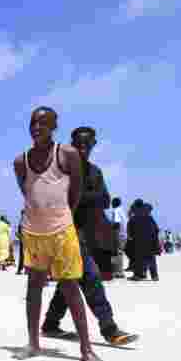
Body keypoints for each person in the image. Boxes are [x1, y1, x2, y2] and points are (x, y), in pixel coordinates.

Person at [13, 106, 103, 361]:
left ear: (54, 126)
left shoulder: (67, 154)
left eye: (43, 123)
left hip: (62, 230)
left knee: (70, 287)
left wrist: (64, 216)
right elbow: (27, 191)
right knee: (33, 288)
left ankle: (86, 348)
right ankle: (33, 343)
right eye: (33, 123)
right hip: (32, 231)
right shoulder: (21, 161)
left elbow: (75, 192)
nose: (36, 127)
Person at [40, 127, 137, 346]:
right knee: (91, 278)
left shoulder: (95, 171)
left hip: (87, 234)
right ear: (72, 144)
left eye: (87, 145)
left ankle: (50, 324)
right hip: (64, 233)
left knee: (70, 280)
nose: (83, 149)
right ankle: (110, 329)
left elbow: (105, 200)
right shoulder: (61, 171)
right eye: (79, 145)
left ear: (93, 145)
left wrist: (82, 196)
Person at [128, 203, 161, 281]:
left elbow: (130, 231)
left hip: (139, 242)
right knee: (151, 259)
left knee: (139, 259)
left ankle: (139, 275)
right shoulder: (150, 218)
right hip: (151, 242)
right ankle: (154, 276)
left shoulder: (134, 217)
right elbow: (156, 229)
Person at [106, 197, 127, 279]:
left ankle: (118, 272)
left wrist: (110, 230)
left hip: (119, 235)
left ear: (114, 203)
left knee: (117, 253)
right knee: (120, 253)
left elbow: (117, 224)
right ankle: (119, 271)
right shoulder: (122, 210)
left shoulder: (116, 211)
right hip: (124, 235)